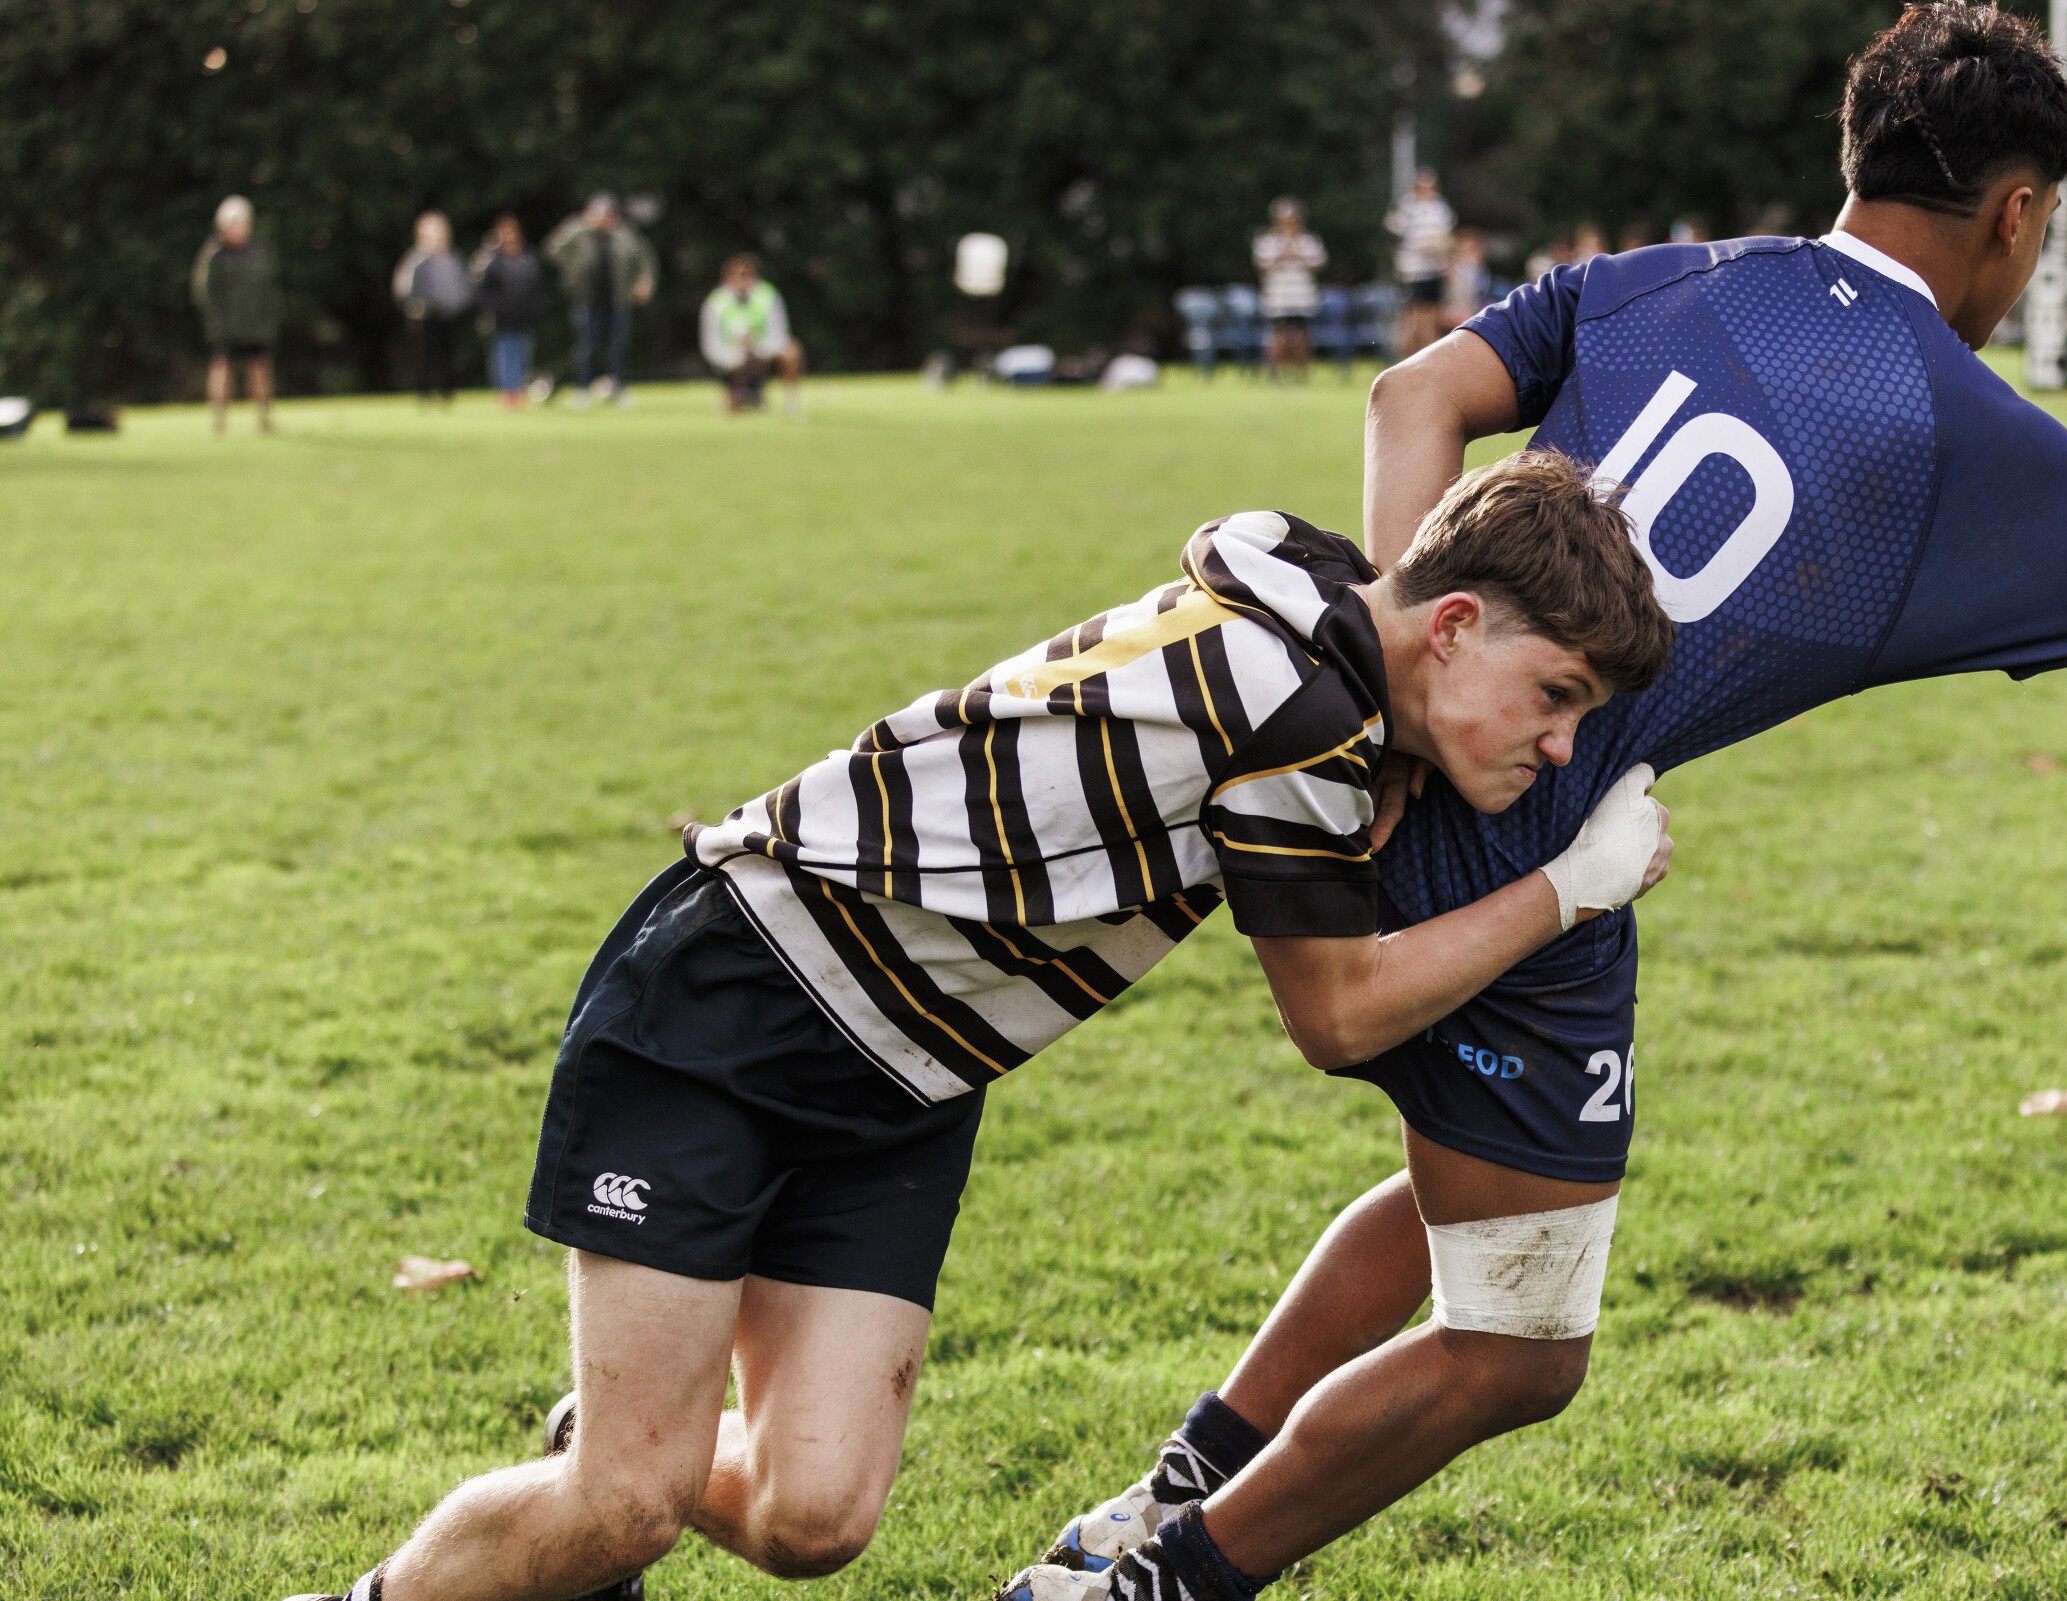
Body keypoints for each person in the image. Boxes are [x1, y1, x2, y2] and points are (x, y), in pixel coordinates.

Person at [1005, 9, 2067, 1601]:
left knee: (1480, 1195)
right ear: (2020, 214)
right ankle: (1144, 1586)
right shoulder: (1978, 436)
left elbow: (1411, 395)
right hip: (1526, 837)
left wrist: (1398, 699)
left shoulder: (1671, 275)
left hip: (1374, 769)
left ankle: (1173, 1489)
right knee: (1517, 1343)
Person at [279, 450, 1683, 1601]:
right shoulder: (1300, 722)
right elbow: (1342, 1015)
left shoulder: (1311, 598)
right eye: (1557, 695)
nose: (1562, 744)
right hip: (739, 1000)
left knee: (811, 1520)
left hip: (910, 1080)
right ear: (1452, 625)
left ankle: (607, 1438)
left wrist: (1408, 749)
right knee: (628, 1508)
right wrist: (1573, 886)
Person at [544, 192, 657, 408]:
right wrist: (572, 267)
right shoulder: (579, 232)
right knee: (585, 347)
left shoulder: (624, 235)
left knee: (618, 347)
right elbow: (552, 250)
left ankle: (619, 389)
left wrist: (645, 280)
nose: (604, 219)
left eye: (608, 214)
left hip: (618, 299)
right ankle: (582, 389)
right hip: (587, 299)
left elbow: (645, 259)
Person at [191, 195, 278, 437]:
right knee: (222, 368)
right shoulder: (215, 255)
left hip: (255, 326)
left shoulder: (258, 253)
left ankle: (265, 420)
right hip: (226, 328)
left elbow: (269, 289)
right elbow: (204, 291)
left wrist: (268, 317)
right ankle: (218, 422)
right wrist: (214, 320)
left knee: (260, 368)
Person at [698, 253, 804, 415]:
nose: (744, 280)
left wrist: (758, 349)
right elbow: (710, 345)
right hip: (731, 361)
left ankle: (791, 400)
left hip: (761, 355)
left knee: (791, 350)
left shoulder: (767, 295)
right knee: (736, 409)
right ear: (728, 277)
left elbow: (780, 334)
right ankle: (740, 393)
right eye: (739, 275)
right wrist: (737, 356)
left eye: (748, 274)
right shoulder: (716, 302)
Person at [392, 211, 474, 406]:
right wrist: (411, 304)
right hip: (424, 316)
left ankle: (446, 392)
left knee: (448, 357)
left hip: (449, 316)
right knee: (424, 357)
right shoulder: (416, 258)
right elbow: (402, 286)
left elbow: (462, 286)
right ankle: (423, 393)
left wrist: (460, 305)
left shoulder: (452, 258)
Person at [470, 214, 546, 409]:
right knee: (504, 357)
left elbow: (538, 288)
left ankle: (520, 392)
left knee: (523, 356)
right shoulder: (492, 262)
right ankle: (507, 394)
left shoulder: (528, 260)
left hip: (524, 318)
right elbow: (478, 284)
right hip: (502, 319)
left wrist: (535, 308)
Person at [1252, 198, 1328, 383]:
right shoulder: (1268, 241)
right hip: (1278, 296)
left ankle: (1301, 372)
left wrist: (1296, 252)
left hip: (1302, 296)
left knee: (1302, 334)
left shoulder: (1308, 241)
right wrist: (1284, 252)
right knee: (1278, 335)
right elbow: (1263, 265)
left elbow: (1318, 263)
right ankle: (1274, 372)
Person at [1385, 168, 1454, 358]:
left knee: (1431, 317)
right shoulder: (1407, 207)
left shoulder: (1440, 208)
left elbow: (1446, 237)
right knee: (1412, 318)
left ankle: (1427, 358)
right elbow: (1396, 231)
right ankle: (1406, 358)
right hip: (1413, 271)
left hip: (1433, 269)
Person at [1436, 229, 1489, 331]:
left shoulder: (1479, 271)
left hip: (1470, 311)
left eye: (1471, 250)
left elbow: (1479, 292)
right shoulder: (1452, 269)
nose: (1468, 255)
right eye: (1464, 251)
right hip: (1454, 311)